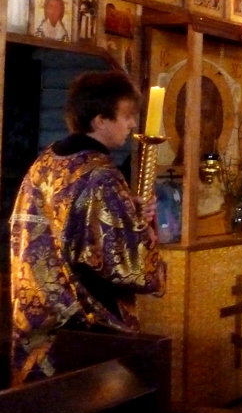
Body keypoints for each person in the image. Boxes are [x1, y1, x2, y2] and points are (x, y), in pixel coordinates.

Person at [9, 71, 167, 385]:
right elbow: (130, 266)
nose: (132, 125)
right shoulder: (101, 175)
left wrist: (128, 211)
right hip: (86, 324)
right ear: (100, 120)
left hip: (38, 315)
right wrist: (140, 230)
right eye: (126, 116)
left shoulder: (46, 162)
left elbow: (67, 227)